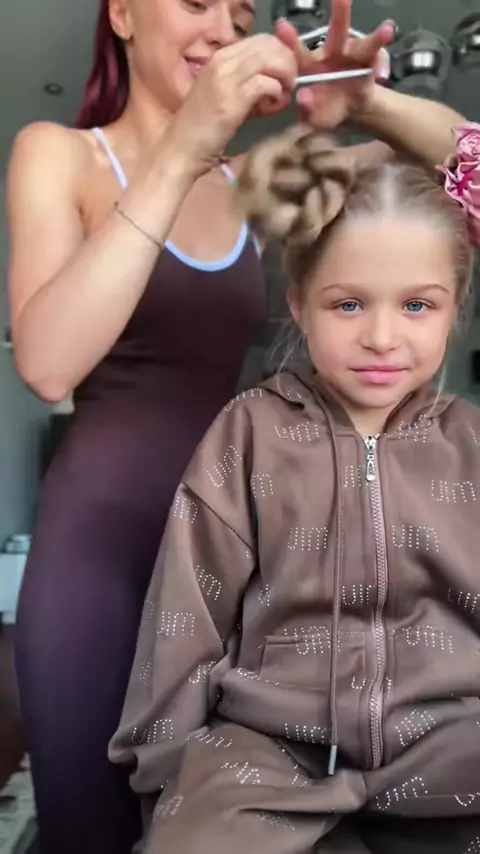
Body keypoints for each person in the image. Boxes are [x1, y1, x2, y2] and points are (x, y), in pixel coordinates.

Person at [5, 0, 470, 849]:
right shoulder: (60, 154)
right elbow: (47, 364)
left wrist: (368, 104)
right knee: (93, 825)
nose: (223, 29)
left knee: (214, 809)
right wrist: (182, 150)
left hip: (250, 555)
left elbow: (466, 175)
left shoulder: (256, 183)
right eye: (196, 2)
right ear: (121, 13)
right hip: (105, 553)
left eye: (240, 13)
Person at [110, 120, 480, 853]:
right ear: (302, 301)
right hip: (270, 754)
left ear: (454, 306)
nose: (382, 336)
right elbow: (186, 616)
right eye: (349, 304)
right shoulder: (249, 433)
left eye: (417, 305)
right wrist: (171, 781)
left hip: (452, 742)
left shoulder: (470, 444)